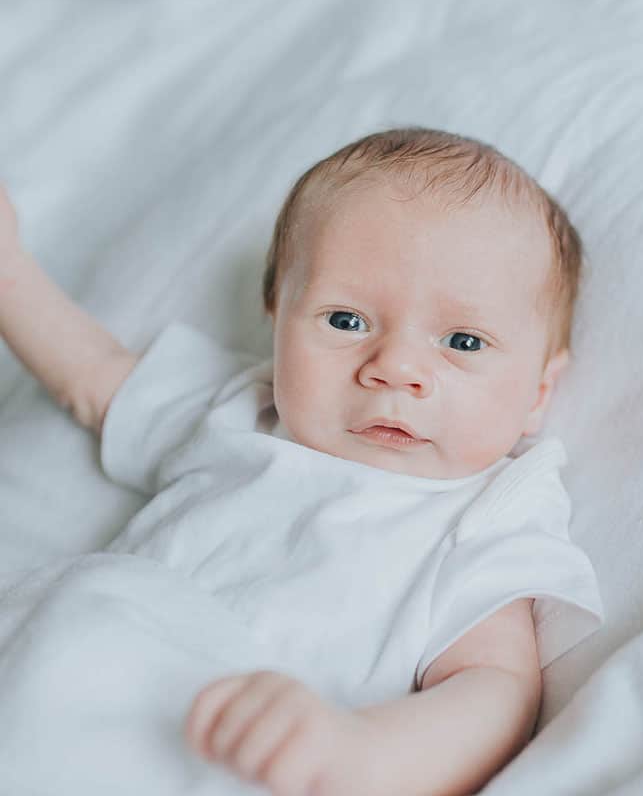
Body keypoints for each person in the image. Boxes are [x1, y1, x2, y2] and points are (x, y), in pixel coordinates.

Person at [0, 127, 604, 796]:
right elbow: (93, 377)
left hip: (240, 750)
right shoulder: (237, 408)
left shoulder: (483, 516)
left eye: (463, 341)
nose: (396, 368)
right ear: (277, 319)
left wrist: (360, 752)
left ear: (538, 394)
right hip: (68, 677)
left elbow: (495, 695)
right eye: (345, 320)